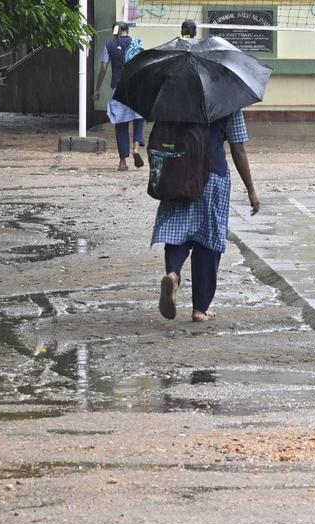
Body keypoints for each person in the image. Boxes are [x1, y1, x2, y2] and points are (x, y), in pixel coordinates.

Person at [153, 111, 260, 322]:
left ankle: (173, 275)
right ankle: (199, 309)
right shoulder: (227, 99)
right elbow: (238, 149)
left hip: (177, 173)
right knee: (209, 241)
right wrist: (250, 189)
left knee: (178, 232)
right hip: (212, 176)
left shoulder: (174, 94)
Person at [93, 23, 146, 171]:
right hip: (136, 87)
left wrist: (97, 89)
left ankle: (122, 161)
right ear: (128, 31)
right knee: (138, 118)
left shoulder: (109, 45)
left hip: (118, 88)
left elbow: (103, 68)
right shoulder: (138, 43)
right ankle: (136, 148)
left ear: (114, 31)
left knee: (121, 124)